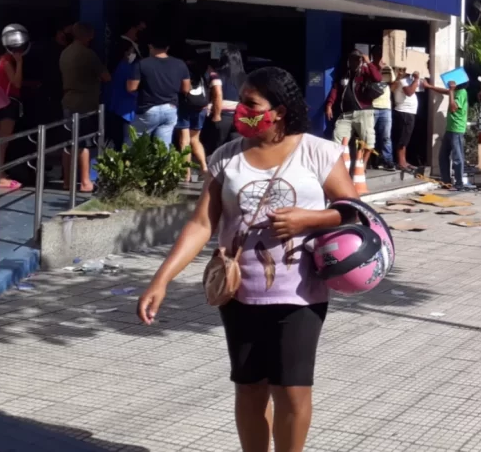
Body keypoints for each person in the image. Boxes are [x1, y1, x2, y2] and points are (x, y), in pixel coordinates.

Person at [137, 67, 357, 452]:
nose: (240, 110)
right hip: (238, 293)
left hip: (300, 295)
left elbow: (352, 210)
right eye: (241, 101)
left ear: (279, 111)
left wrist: (308, 219)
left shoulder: (317, 152)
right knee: (250, 390)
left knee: (291, 391)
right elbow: (201, 224)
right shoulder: (226, 157)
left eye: (251, 104)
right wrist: (161, 280)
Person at [59, 23, 111, 193]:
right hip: (85, 103)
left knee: (68, 143)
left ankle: (67, 181)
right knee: (84, 143)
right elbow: (106, 77)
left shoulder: (65, 53)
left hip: (68, 100)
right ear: (89, 36)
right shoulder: (88, 54)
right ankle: (85, 182)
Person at [325, 51, 386, 182]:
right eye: (353, 59)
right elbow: (336, 89)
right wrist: (329, 104)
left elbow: (378, 78)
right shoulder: (344, 74)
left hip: (364, 112)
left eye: (358, 59)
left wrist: (368, 62)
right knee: (337, 138)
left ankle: (362, 165)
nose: (356, 61)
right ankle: (341, 167)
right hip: (346, 114)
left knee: (368, 140)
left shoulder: (365, 71)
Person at [0, 25, 28, 191]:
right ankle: (0, 176)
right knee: (3, 142)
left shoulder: (0, 60)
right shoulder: (8, 62)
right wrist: (20, 63)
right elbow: (16, 83)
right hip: (6, 105)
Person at [127, 34, 191, 146]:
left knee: (134, 145)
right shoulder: (180, 64)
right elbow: (186, 89)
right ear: (167, 47)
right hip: (170, 108)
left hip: (148, 109)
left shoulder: (142, 64)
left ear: (150, 46)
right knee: (162, 147)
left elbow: (131, 87)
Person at [423, 78, 469, 190]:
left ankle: (459, 184)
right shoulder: (456, 91)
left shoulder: (461, 93)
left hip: (457, 129)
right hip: (450, 129)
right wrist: (430, 87)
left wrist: (451, 91)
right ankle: (446, 181)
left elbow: (453, 108)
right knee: (443, 156)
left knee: (457, 157)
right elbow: (446, 91)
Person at [176, 54, 213, 183]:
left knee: (184, 141)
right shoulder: (202, 76)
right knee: (195, 139)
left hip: (185, 109)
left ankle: (186, 173)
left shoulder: (183, 74)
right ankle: (204, 167)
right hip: (201, 109)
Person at [205, 48, 246, 155]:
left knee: (217, 149)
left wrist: (217, 115)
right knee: (235, 149)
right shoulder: (245, 77)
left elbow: (218, 94)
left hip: (223, 116)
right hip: (240, 116)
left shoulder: (216, 75)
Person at [390, 66, 421, 172]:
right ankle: (401, 162)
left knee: (405, 138)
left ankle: (403, 161)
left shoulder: (408, 80)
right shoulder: (403, 80)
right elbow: (409, 92)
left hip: (409, 112)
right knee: (403, 138)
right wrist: (416, 80)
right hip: (404, 112)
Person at [370, 54, 395, 171]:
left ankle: (387, 160)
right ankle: (373, 160)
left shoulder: (387, 68)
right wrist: (375, 68)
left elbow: (392, 80)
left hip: (385, 108)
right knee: (370, 136)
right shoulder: (368, 67)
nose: (380, 58)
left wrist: (384, 68)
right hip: (372, 106)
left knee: (386, 137)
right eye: (378, 55)